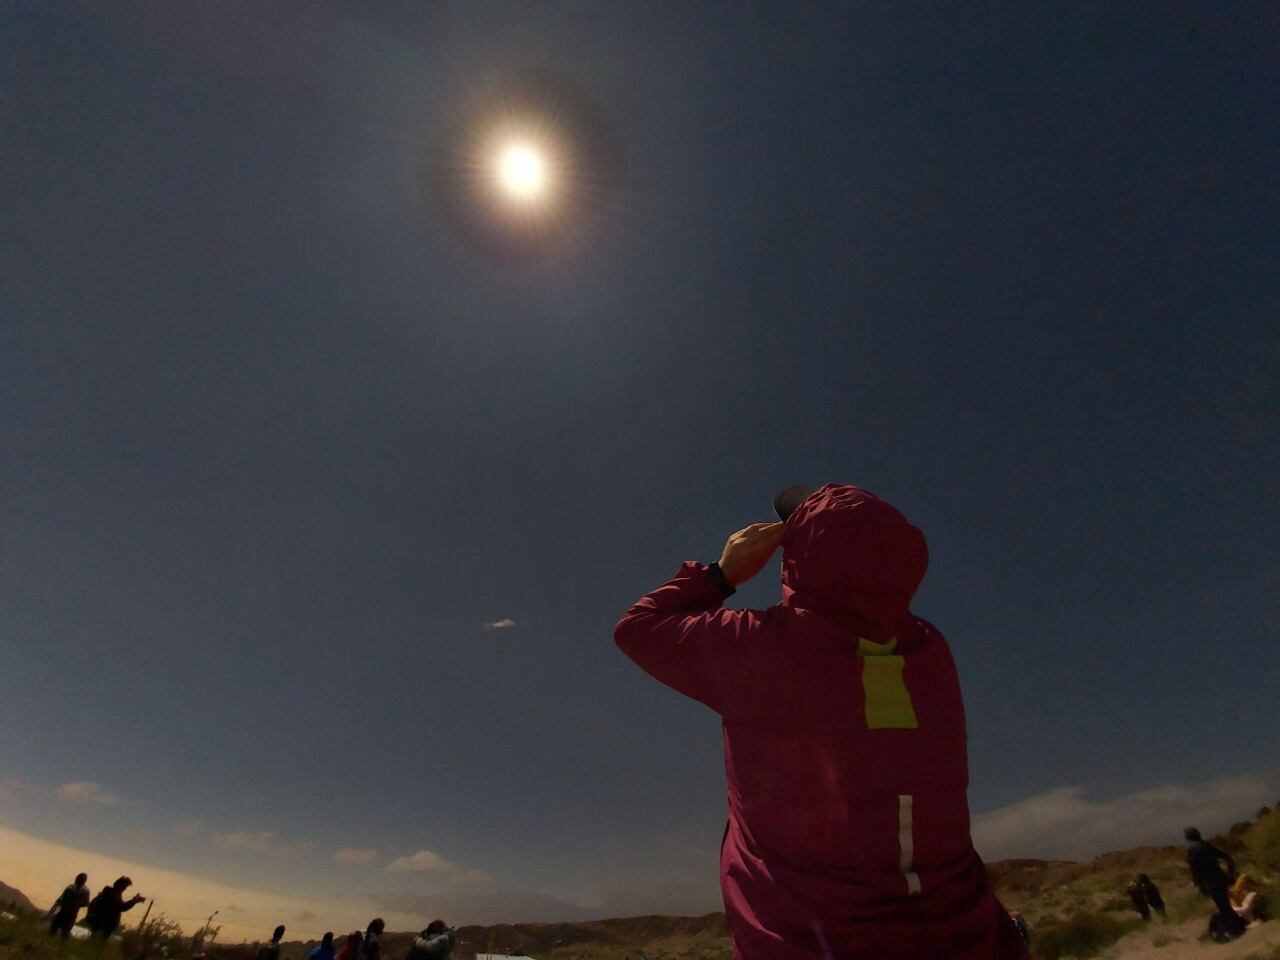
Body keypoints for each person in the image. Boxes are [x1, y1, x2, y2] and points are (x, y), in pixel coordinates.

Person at [615, 483, 1029, 960]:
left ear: (798, 556)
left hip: (811, 941)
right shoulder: (931, 651)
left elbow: (639, 628)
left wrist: (721, 575)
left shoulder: (761, 650)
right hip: (966, 939)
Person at [1185, 827, 1245, 938]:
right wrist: (1230, 872)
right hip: (1220, 879)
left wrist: (1198, 884)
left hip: (1210, 883)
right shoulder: (1206, 845)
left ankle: (1236, 931)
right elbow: (1227, 857)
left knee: (1223, 907)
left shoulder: (1191, 849)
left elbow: (1194, 869)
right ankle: (1239, 926)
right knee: (1226, 905)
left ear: (1188, 838)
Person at [48, 872, 91, 939]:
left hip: (68, 914)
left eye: (81, 879)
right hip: (67, 913)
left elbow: (60, 900)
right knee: (59, 932)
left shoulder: (75, 889)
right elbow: (60, 900)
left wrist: (52, 911)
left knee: (59, 932)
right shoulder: (74, 888)